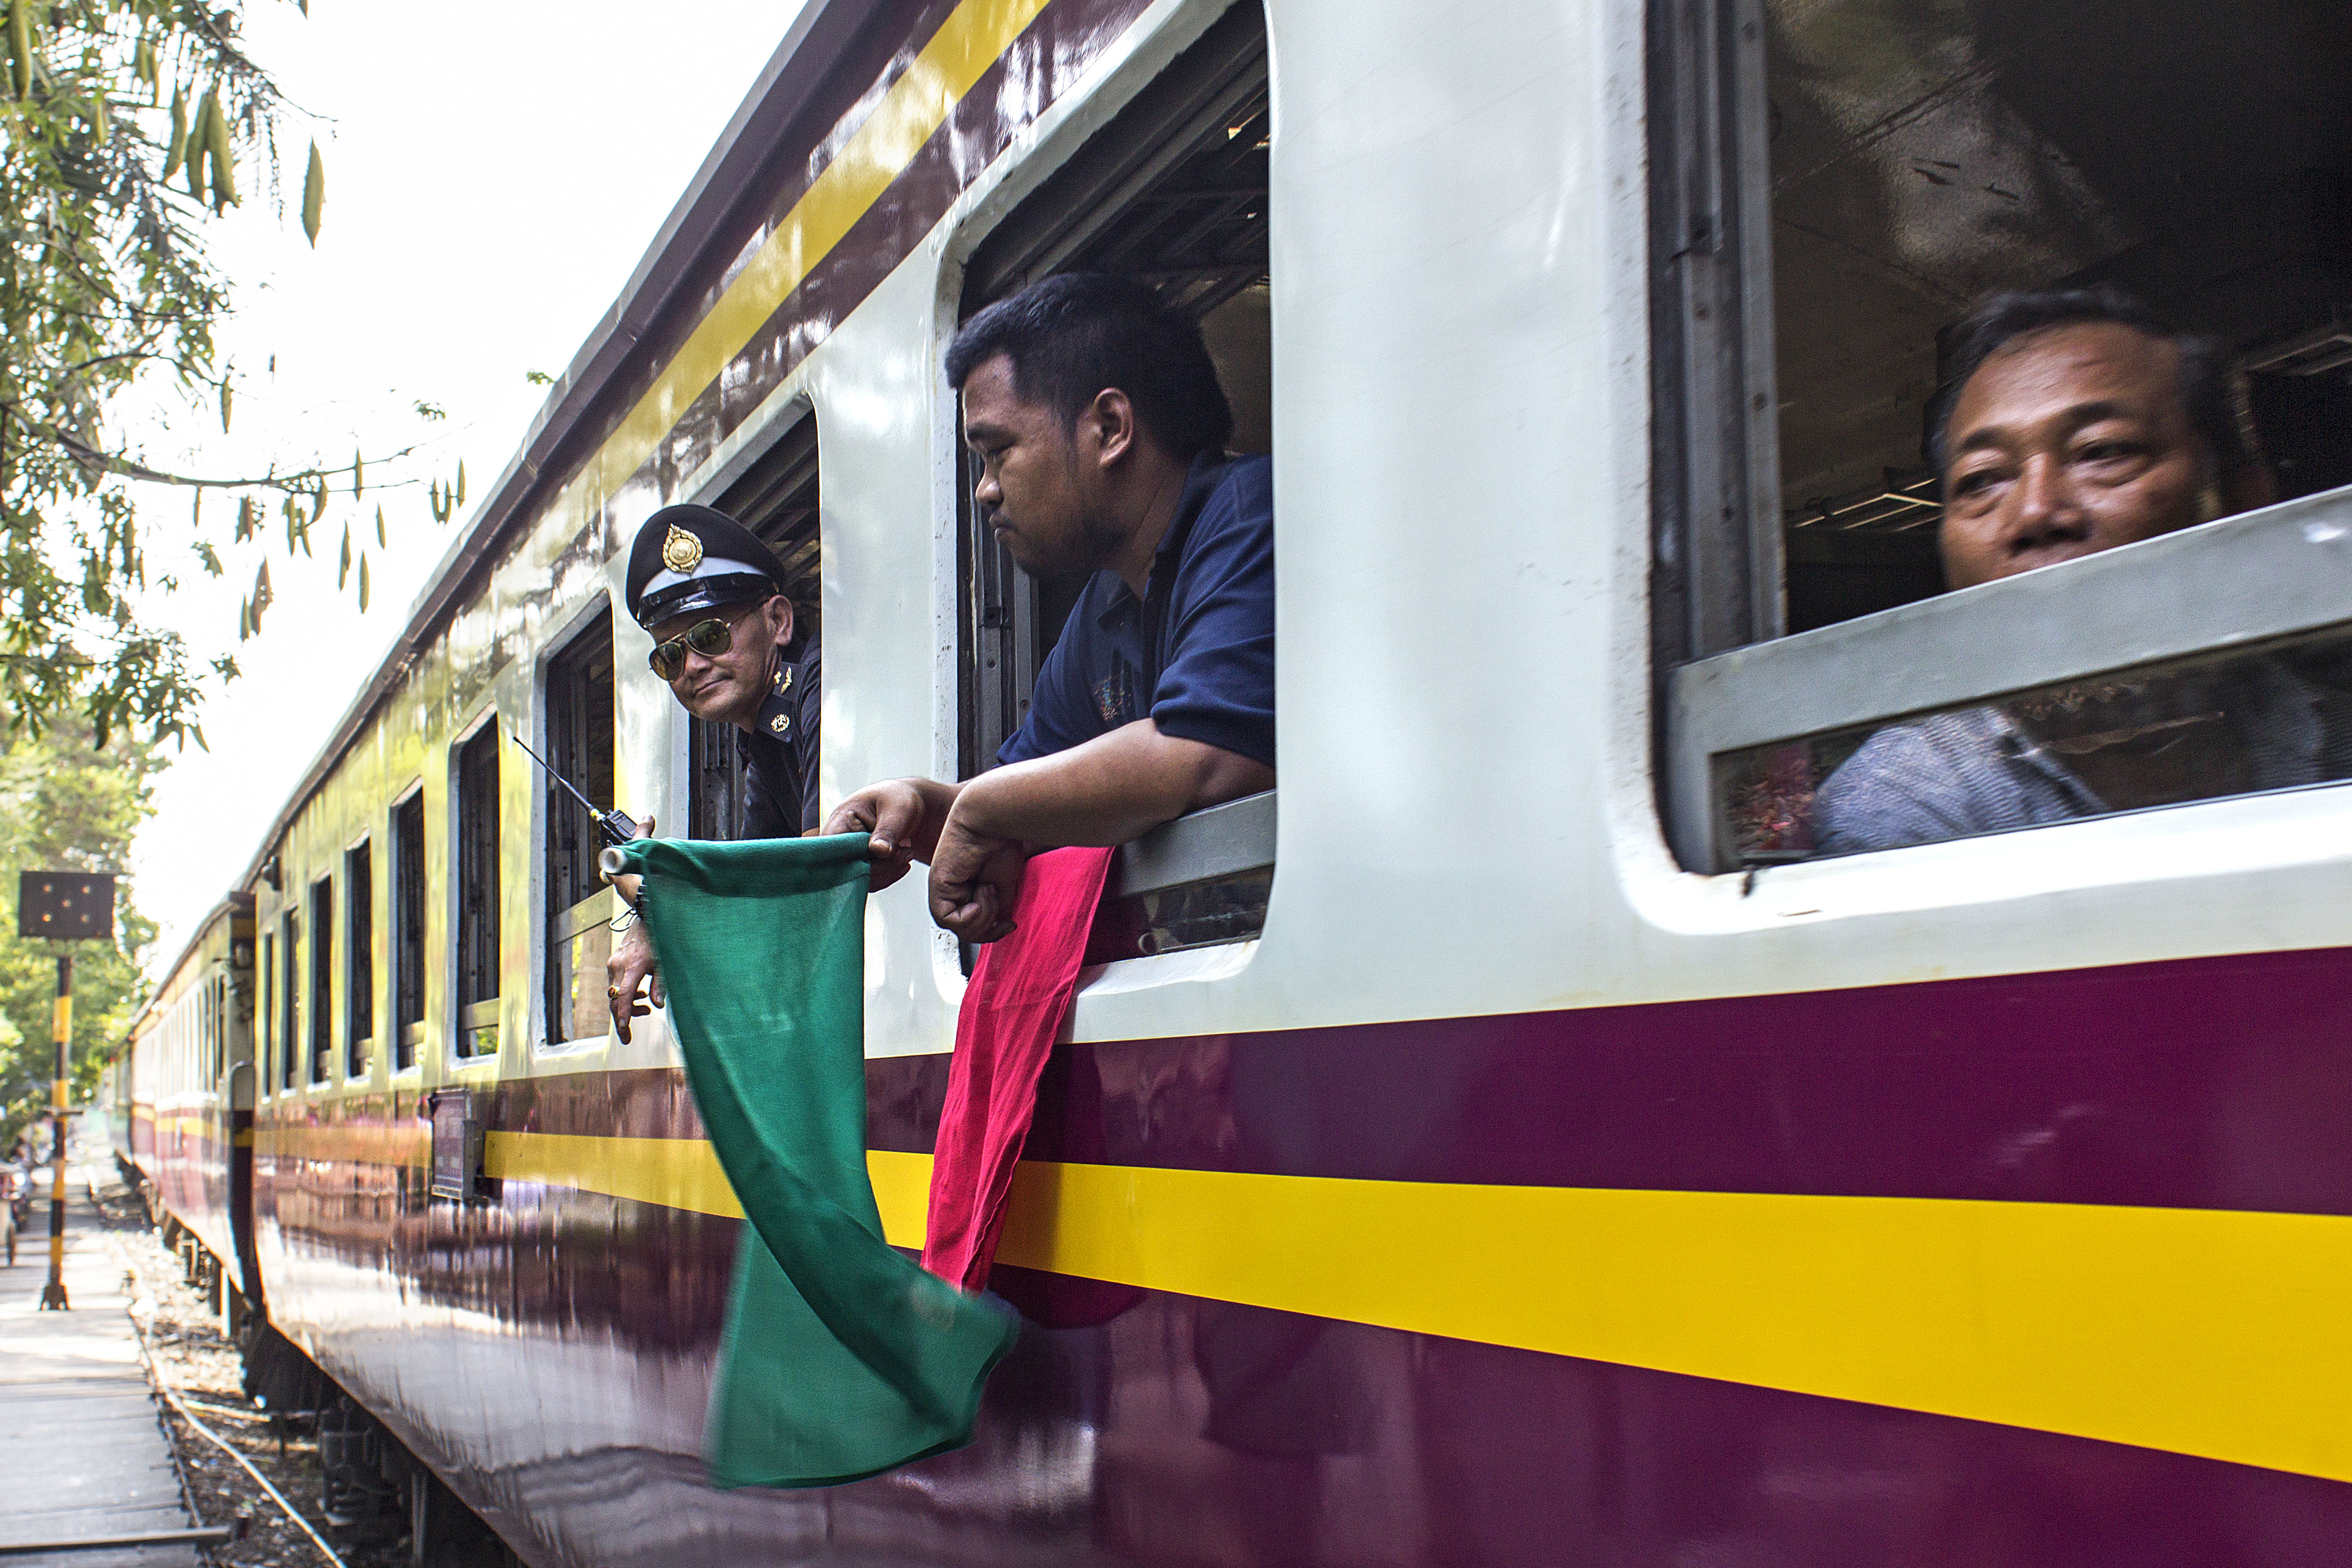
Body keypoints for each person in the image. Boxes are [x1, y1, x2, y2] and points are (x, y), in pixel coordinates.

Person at [825, 273, 1274, 940]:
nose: (983, 491)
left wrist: (982, 809)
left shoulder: (1250, 514)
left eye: (997, 452)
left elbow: (1210, 752)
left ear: (1110, 428)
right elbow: (1031, 788)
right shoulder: (1105, 603)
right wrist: (923, 808)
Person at [1813, 286, 2289, 855]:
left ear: (2243, 502)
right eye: (1983, 479)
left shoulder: (2321, 721)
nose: (2035, 512)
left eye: (2102, 451)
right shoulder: (1904, 809)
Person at [606, 504, 820, 1038]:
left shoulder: (819, 689)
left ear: (778, 620)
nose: (692, 666)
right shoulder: (765, 737)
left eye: (710, 635)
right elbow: (756, 890)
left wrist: (655, 897)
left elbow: (815, 880)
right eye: (670, 655)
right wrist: (651, 913)